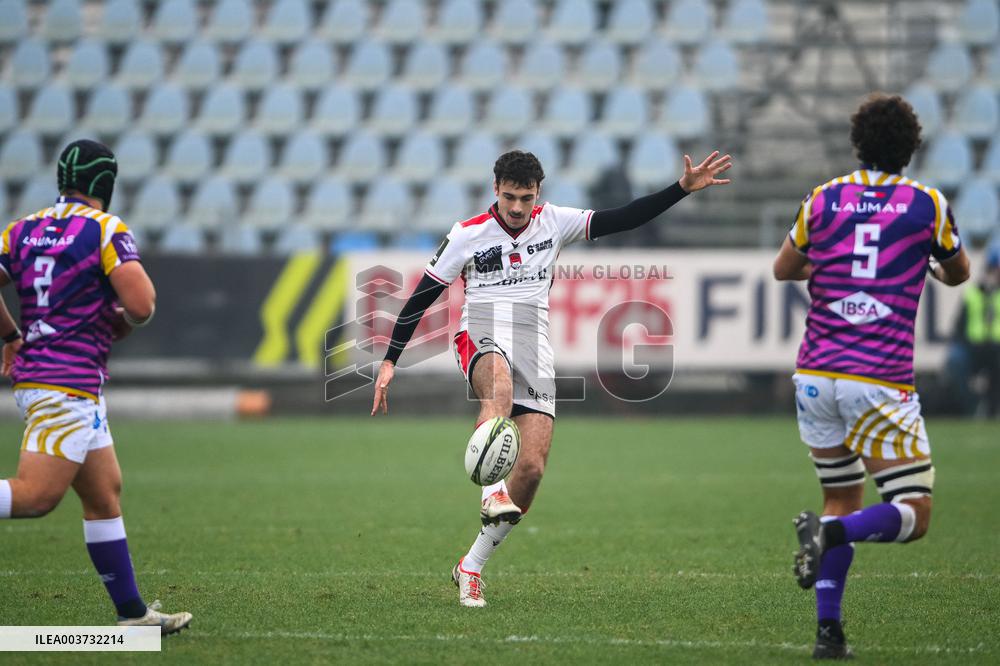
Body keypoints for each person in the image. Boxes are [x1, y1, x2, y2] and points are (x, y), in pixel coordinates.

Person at [371, 149, 732, 607]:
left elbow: (623, 218)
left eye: (526, 198)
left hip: (535, 347)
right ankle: (490, 492)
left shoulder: (555, 222)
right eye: (509, 197)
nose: (517, 207)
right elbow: (422, 296)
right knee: (498, 389)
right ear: (495, 190)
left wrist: (680, 189)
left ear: (537, 193)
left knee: (532, 471)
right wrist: (390, 360)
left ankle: (471, 566)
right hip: (481, 331)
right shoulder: (467, 234)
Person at [773, 94, 970, 658]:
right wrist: (921, 265)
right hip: (878, 377)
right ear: (912, 148)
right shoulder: (927, 204)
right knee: (915, 512)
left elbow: (784, 268)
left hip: (815, 374)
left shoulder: (823, 197)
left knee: (840, 496)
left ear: (857, 143)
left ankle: (828, 633)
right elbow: (959, 272)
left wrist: (831, 263)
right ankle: (831, 535)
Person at [0, 139, 192, 634]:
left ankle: (133, 616)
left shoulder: (21, 229)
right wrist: (121, 318)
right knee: (36, 497)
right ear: (106, 183)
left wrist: (10, 336)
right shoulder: (104, 228)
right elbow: (142, 304)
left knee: (104, 494)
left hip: (56, 379)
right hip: (65, 381)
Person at [946, 242, 1000, 417]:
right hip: (973, 347)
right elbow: (958, 327)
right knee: (955, 360)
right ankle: (973, 406)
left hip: (997, 349)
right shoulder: (973, 293)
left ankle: (993, 408)